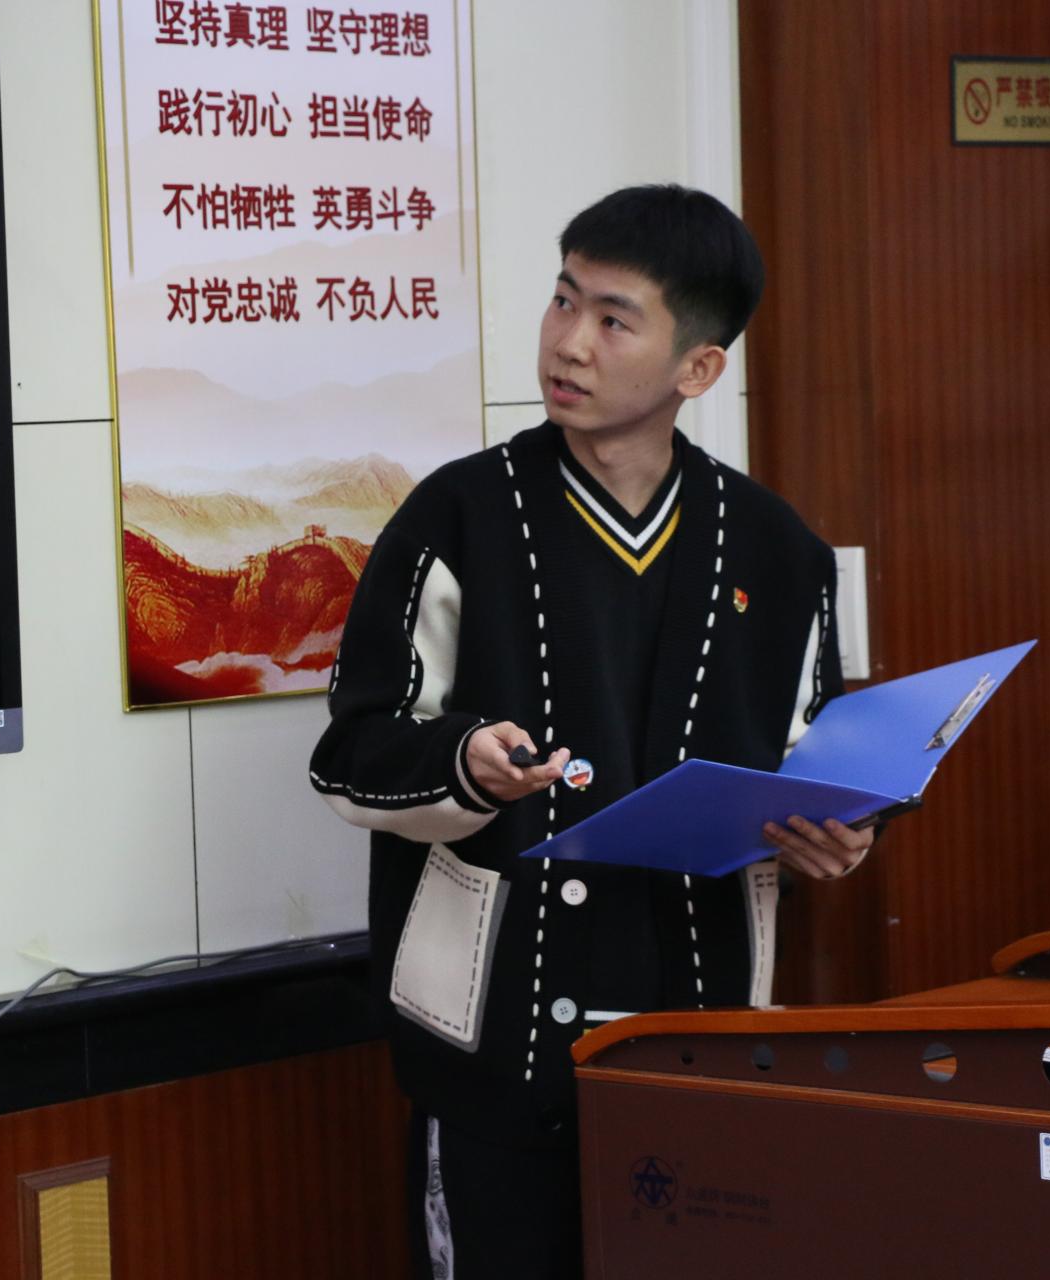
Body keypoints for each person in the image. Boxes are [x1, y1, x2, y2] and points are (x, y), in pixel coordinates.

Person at [309, 184, 873, 1279]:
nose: (568, 342)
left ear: (697, 368)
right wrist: (464, 766)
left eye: (614, 319)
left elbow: (815, 761)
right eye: (563, 299)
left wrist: (842, 835)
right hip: (495, 1047)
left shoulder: (776, 550)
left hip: (706, 1045)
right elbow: (349, 756)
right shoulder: (458, 516)